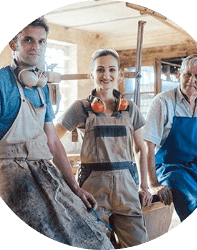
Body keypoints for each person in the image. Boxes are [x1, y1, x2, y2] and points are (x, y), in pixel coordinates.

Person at [0, 17, 114, 249]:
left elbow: (53, 141)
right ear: (14, 43)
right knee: (49, 230)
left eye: (42, 41)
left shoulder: (41, 88)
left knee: (90, 230)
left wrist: (75, 187)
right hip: (12, 173)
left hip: (43, 169)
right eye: (28, 40)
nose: (36, 46)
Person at [55, 48, 152, 248]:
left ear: (119, 73)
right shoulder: (80, 108)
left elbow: (142, 148)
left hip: (127, 191)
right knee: (96, 244)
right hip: (93, 191)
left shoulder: (130, 108)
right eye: (100, 70)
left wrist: (144, 186)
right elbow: (52, 140)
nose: (106, 75)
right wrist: (69, 182)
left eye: (111, 70)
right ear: (92, 74)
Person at [143, 54, 197, 222]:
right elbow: (148, 146)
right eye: (187, 74)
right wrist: (153, 184)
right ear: (179, 75)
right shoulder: (163, 102)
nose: (191, 80)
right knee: (195, 202)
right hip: (173, 170)